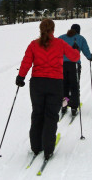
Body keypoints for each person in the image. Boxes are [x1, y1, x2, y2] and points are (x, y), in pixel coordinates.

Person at [15, 19, 80, 160]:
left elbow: (26, 62)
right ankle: (48, 149)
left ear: (40, 29)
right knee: (51, 116)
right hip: (55, 83)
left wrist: (21, 77)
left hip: (37, 83)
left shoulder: (33, 45)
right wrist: (75, 48)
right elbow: (74, 57)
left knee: (37, 114)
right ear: (53, 30)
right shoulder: (60, 43)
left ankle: (36, 147)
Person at [59, 24, 92, 117]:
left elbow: (54, 48)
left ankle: (64, 106)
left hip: (62, 65)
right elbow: (86, 50)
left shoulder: (61, 37)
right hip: (74, 65)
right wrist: (90, 57)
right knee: (74, 85)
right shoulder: (80, 38)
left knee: (64, 85)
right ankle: (74, 107)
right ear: (78, 30)